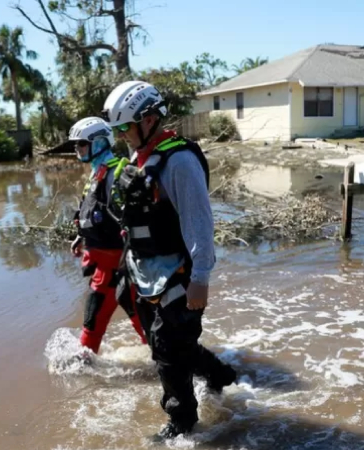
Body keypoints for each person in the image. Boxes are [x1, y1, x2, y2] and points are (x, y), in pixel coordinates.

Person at [101, 80, 237, 439]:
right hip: (147, 274)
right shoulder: (139, 157)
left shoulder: (179, 161)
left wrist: (201, 278)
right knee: (171, 346)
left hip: (180, 275)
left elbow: (199, 223)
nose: (120, 135)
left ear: (148, 120)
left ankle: (182, 426)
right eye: (115, 129)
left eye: (123, 127)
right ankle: (221, 375)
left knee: (167, 352)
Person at [68, 117, 147, 354]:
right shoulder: (97, 174)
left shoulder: (116, 175)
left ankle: (174, 370)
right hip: (104, 269)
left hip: (122, 270)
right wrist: (81, 237)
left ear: (100, 142)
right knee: (95, 327)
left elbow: (134, 222)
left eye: (81, 143)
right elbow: (95, 213)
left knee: (146, 327)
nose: (77, 149)